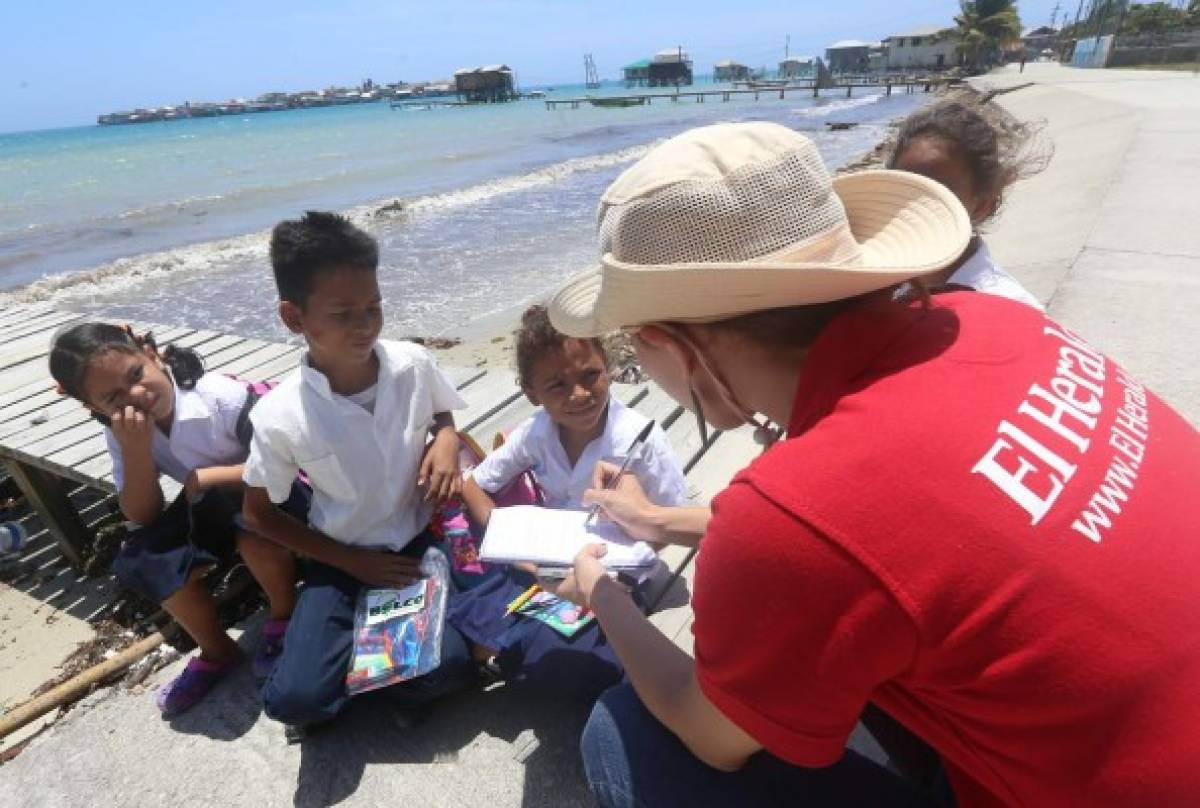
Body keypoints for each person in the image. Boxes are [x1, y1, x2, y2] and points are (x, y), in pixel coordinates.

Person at [541, 122, 1200, 805]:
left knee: (623, 731)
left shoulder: (797, 512)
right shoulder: (994, 321)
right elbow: (886, 532)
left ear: (672, 348)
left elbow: (709, 731)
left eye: (632, 349)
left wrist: (604, 596)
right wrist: (655, 518)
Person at [240, 211, 477, 729]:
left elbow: (441, 409)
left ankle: (382, 666)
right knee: (294, 704)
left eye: (374, 307)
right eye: (345, 312)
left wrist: (445, 435)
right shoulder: (280, 415)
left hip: (418, 545)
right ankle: (379, 667)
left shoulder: (413, 364)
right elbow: (258, 515)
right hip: (340, 560)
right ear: (294, 318)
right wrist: (352, 562)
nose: (366, 324)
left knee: (455, 667)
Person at [48, 323, 304, 717]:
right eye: (113, 398)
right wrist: (136, 454)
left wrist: (207, 478)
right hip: (213, 503)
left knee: (252, 529)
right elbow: (142, 514)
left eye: (136, 375)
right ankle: (218, 650)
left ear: (151, 355)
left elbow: (288, 462)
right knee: (140, 558)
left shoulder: (220, 396)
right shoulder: (123, 433)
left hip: (278, 496)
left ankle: (284, 617)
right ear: (95, 410)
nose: (135, 395)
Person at [446, 304, 686, 698]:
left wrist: (617, 568)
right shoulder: (537, 433)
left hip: (618, 573)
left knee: (576, 662)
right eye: (557, 385)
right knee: (546, 638)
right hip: (548, 563)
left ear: (607, 367)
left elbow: (669, 523)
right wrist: (510, 542)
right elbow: (474, 485)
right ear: (531, 393)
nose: (579, 394)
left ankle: (498, 647)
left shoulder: (640, 438)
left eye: (590, 374)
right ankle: (510, 645)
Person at [888, 94, 1049, 310]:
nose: (913, 209)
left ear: (983, 206)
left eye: (937, 196)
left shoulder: (1009, 307)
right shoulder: (891, 289)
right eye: (902, 189)